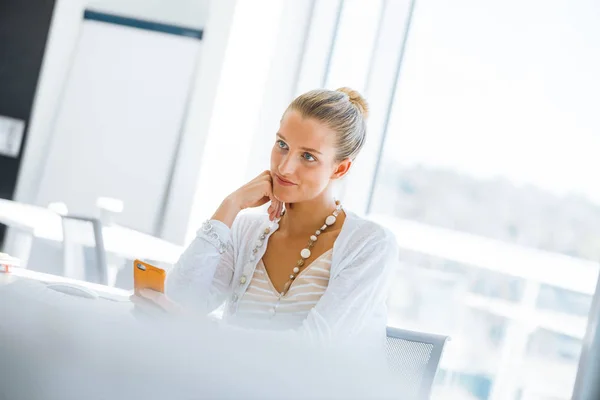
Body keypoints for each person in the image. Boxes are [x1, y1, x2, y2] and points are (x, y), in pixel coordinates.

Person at [135, 87, 399, 345]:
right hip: (231, 384)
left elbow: (315, 349)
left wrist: (202, 329)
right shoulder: (247, 231)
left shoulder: (371, 244)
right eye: (282, 145)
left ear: (340, 169)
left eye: (308, 156)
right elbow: (178, 303)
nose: (284, 167)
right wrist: (230, 206)